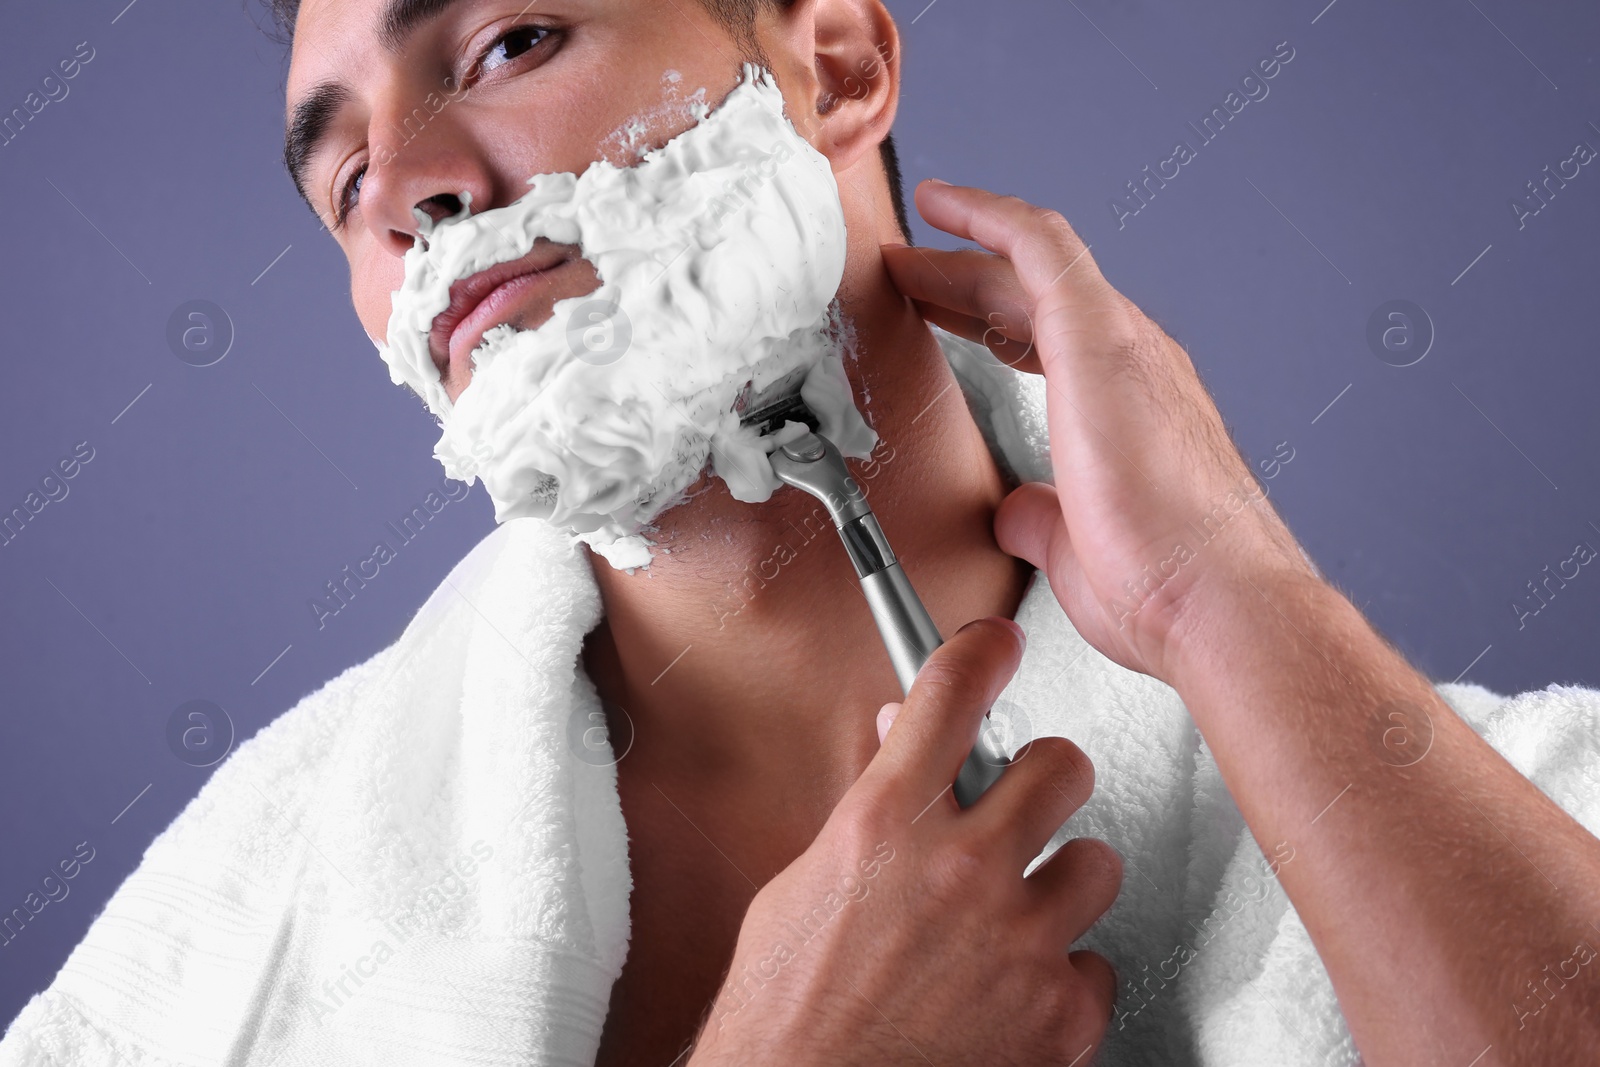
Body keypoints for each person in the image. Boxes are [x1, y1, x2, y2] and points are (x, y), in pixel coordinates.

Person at [5, 1, 1597, 1065]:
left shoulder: (1517, 820)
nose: (409, 189)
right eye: (342, 174)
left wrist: (1230, 594)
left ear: (831, 65)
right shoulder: (233, 928)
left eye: (507, 42)